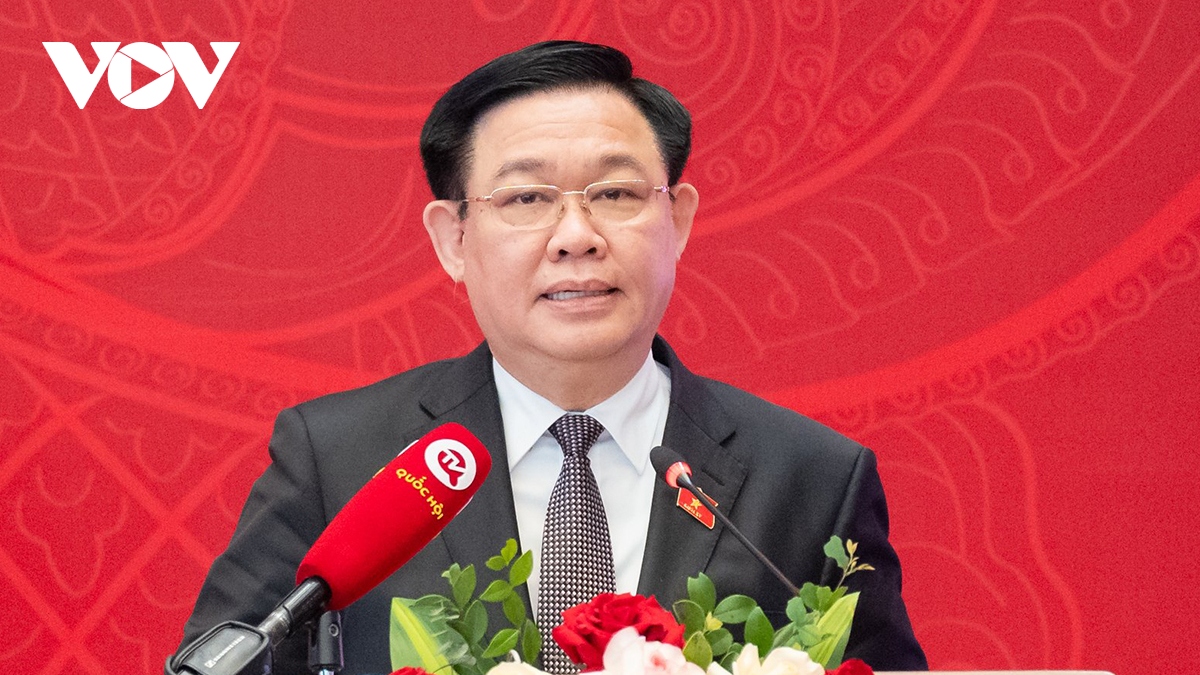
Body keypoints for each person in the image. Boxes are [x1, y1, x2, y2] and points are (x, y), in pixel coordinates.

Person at [173, 41, 927, 674]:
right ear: (452, 238)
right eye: (527, 199)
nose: (576, 236)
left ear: (678, 220)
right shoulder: (339, 460)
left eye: (616, 193)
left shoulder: (812, 477)